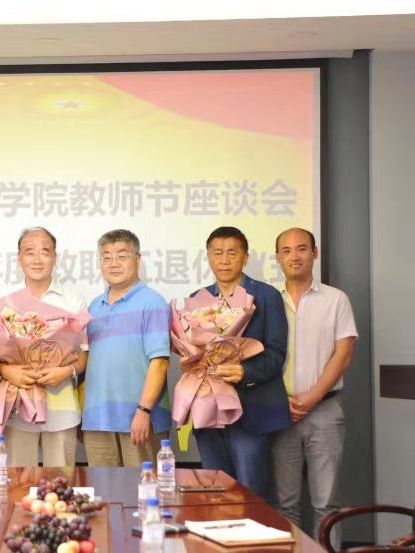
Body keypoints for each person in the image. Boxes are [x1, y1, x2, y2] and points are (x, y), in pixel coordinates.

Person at [272, 228, 357, 545]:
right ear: (278, 257)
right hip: (280, 413)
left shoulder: (336, 299)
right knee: (286, 503)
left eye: (302, 249)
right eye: (286, 250)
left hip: (325, 410)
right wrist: (280, 401)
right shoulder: (268, 301)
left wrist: (312, 396)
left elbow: (344, 352)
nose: (294, 256)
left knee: (326, 504)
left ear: (314, 253)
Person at [192, 226, 289, 500]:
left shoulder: (266, 296)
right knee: (215, 491)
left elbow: (276, 353)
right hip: (209, 411)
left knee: (251, 492)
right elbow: (194, 352)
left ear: (245, 257)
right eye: (217, 253)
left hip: (251, 409)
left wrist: (244, 372)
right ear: (208, 257)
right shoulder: (198, 299)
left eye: (232, 253)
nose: (224, 260)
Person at [0, 227, 88, 467]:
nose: (37, 259)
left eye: (45, 252)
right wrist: (7, 371)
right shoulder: (5, 302)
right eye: (30, 252)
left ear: (55, 257)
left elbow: (83, 354)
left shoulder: (73, 301)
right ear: (19, 258)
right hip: (18, 406)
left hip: (62, 405)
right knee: (18, 481)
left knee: (60, 483)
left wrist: (67, 372)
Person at [82, 229, 171, 467]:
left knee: (143, 486)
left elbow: (160, 362)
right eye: (106, 257)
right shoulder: (94, 307)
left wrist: (144, 410)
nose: (114, 263)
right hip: (98, 421)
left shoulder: (153, 302)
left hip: (139, 419)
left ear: (137, 259)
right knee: (102, 488)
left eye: (122, 256)